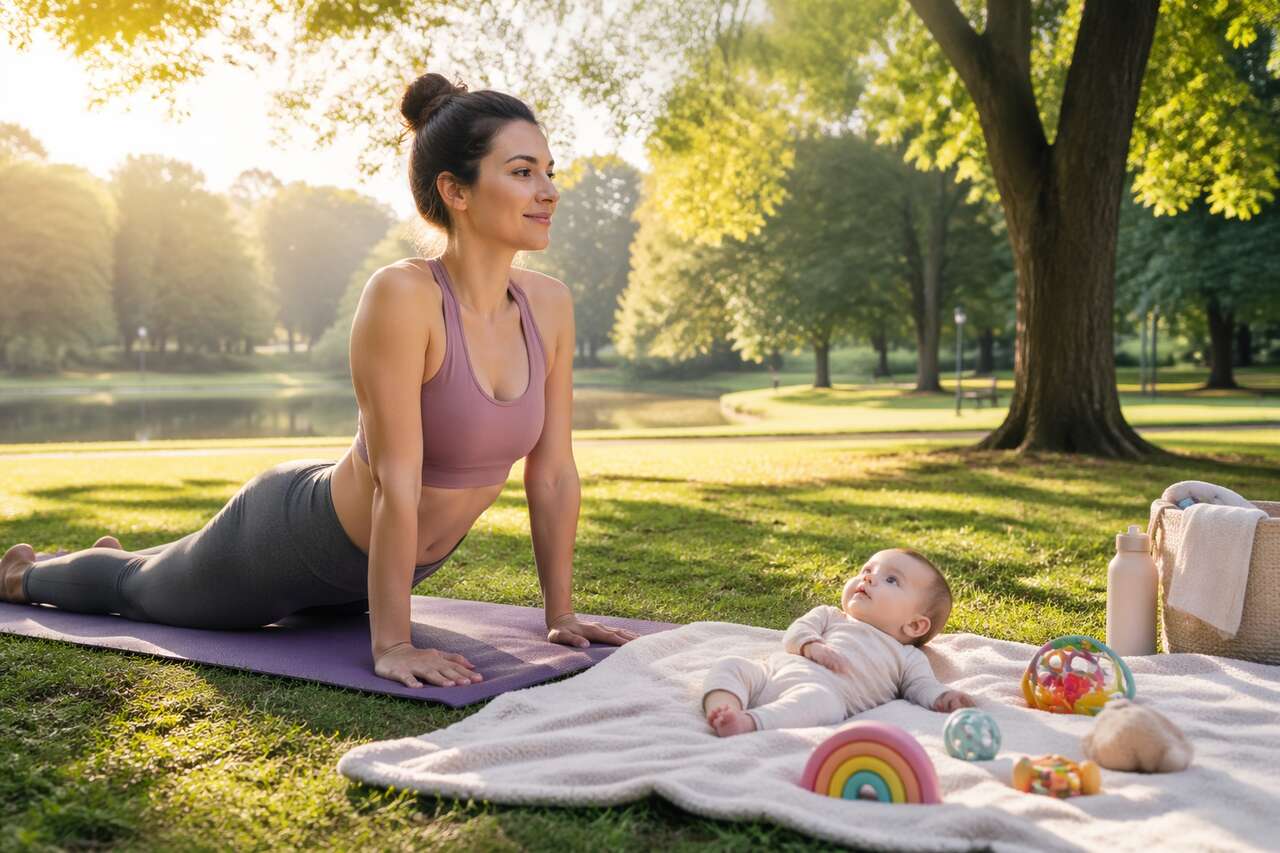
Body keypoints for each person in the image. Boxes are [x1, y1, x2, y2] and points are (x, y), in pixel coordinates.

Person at [0, 71, 637, 688]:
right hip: (295, 539)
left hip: (387, 571)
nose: (548, 189)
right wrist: (392, 645)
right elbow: (397, 479)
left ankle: (134, 558)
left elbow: (552, 472)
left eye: (549, 171)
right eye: (523, 172)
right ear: (457, 191)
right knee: (134, 593)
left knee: (160, 574)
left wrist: (560, 616)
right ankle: (23, 574)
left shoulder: (548, 305)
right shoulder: (403, 295)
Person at [701, 548, 974, 736]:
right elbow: (796, 632)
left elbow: (921, 686)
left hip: (823, 692)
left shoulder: (905, 657)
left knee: (820, 703)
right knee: (731, 665)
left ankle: (747, 723)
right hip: (771, 674)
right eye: (868, 569)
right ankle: (724, 708)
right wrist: (812, 646)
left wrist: (942, 698)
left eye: (891, 579)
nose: (868, 577)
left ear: (914, 625)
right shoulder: (830, 616)